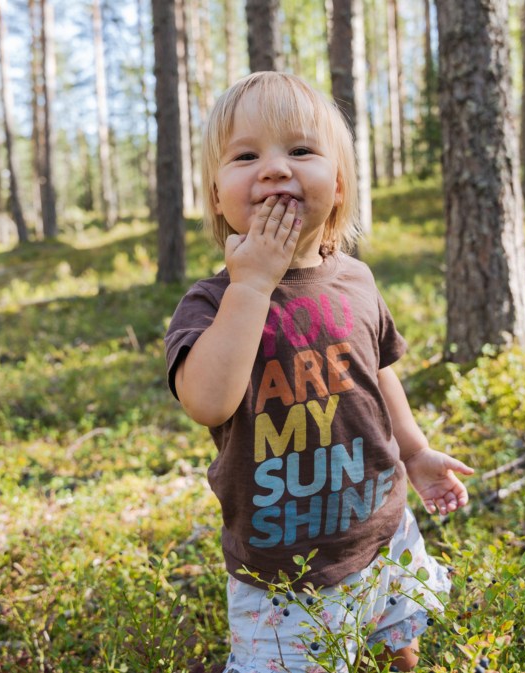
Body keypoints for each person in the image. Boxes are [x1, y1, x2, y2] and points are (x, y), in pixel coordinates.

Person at [164, 72, 475, 673]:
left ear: (337, 184)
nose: (275, 169)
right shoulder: (210, 304)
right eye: (246, 156)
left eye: (300, 150)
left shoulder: (354, 279)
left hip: (383, 529)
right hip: (283, 571)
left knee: (400, 643)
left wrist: (415, 451)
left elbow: (377, 372)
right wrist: (253, 283)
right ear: (217, 194)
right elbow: (206, 401)